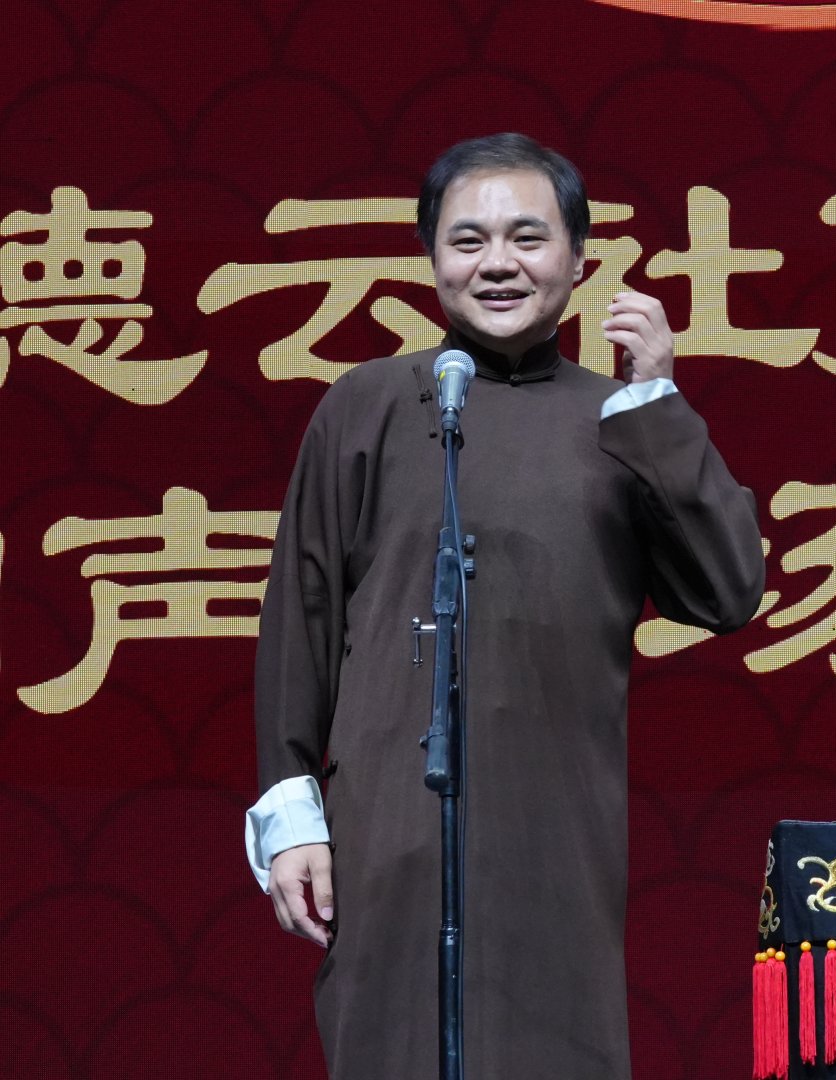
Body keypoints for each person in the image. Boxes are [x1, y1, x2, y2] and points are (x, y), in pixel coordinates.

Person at [243, 133, 765, 1080]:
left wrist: (657, 403)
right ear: (431, 259)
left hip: (555, 830)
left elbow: (727, 592)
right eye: (467, 240)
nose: (497, 264)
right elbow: (302, 620)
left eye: (527, 237)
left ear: (579, 259)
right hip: (388, 824)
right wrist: (292, 815)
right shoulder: (367, 405)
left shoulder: (619, 420)